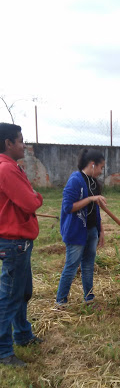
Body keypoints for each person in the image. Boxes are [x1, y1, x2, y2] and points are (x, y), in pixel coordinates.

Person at [0, 123, 43, 367]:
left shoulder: (10, 168)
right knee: (9, 297)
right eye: (20, 141)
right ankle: (4, 350)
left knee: (22, 293)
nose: (24, 145)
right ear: (8, 143)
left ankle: (23, 334)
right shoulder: (6, 169)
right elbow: (30, 202)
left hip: (18, 241)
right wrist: (38, 196)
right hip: (14, 242)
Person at [55, 148, 107, 307]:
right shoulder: (75, 179)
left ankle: (89, 298)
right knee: (71, 266)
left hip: (91, 230)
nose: (101, 171)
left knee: (88, 265)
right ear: (92, 165)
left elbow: (95, 209)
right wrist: (91, 198)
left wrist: (101, 229)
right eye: (101, 168)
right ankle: (61, 301)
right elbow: (68, 207)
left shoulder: (93, 182)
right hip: (76, 230)